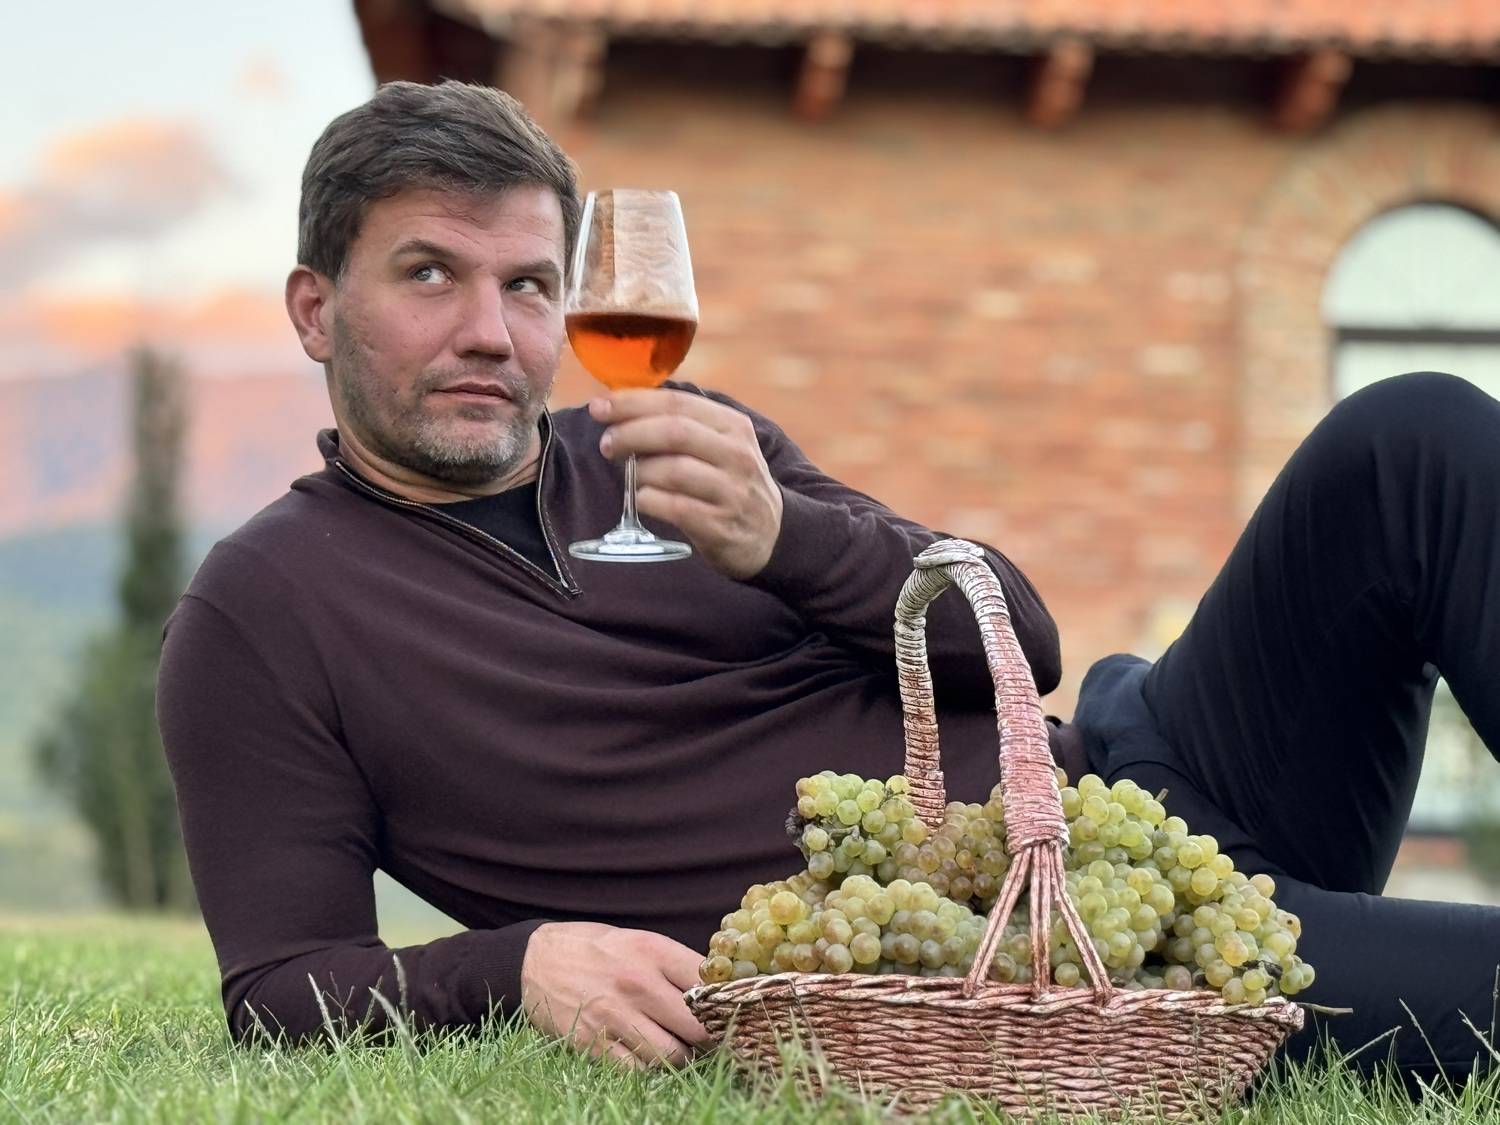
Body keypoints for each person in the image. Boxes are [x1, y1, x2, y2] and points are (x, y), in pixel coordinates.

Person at [157, 81, 1499, 1086]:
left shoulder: (688, 441)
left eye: (527, 284)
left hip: (1145, 788)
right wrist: (516, 964)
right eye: (429, 276)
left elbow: (1021, 637)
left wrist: (781, 538)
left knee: (1412, 435)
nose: (489, 332)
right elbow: (282, 983)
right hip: (1038, 956)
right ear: (316, 309)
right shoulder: (264, 611)